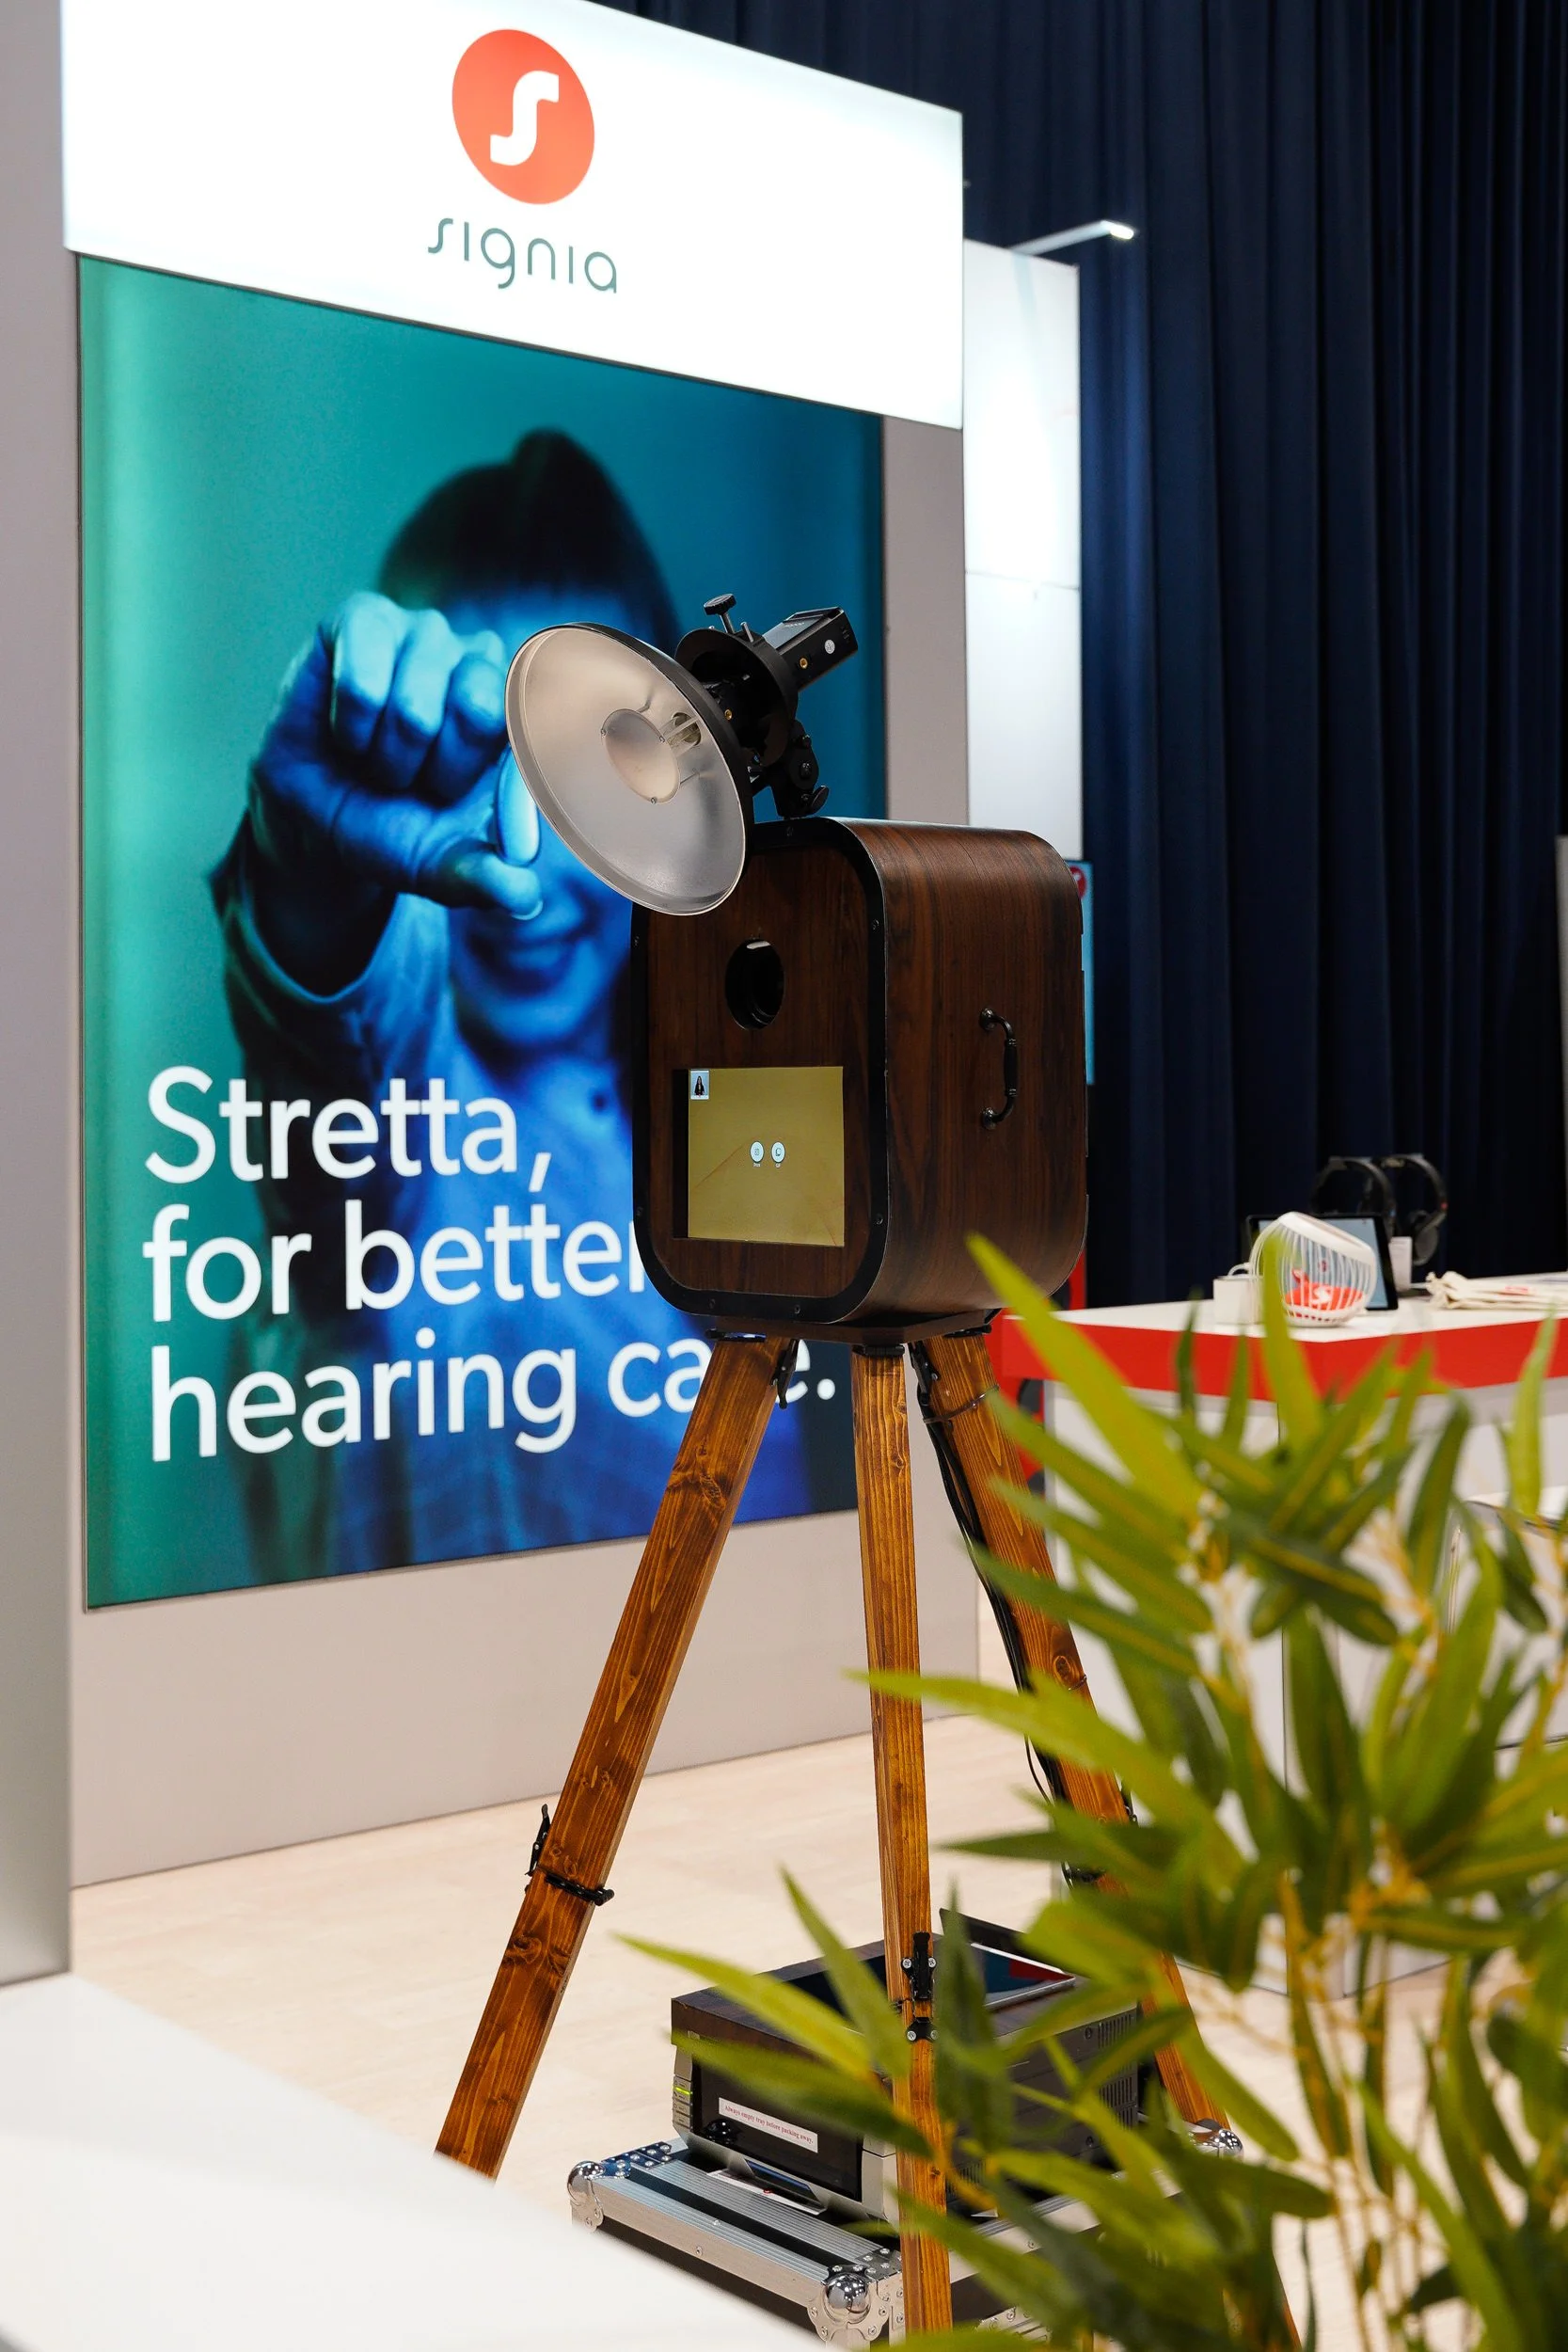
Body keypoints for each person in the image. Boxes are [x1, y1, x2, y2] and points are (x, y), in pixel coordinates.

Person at [213, 429, 839, 1578]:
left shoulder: (723, 1114)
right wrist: (304, 864)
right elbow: (326, 1035)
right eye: (475, 763)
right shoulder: (402, 1134)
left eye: (595, 773)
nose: (529, 863)